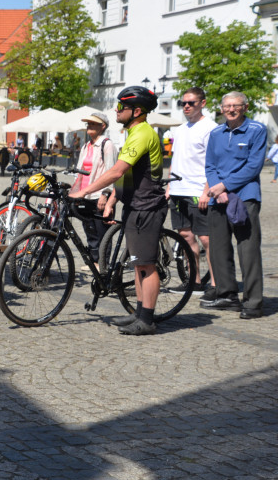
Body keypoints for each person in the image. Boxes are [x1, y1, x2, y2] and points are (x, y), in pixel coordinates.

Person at [70, 86, 165, 336]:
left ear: (137, 111)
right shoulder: (133, 132)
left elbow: (117, 171)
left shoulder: (143, 133)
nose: (116, 109)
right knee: (137, 264)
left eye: (121, 106)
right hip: (134, 204)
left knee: (147, 265)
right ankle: (138, 314)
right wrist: (113, 197)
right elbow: (127, 177)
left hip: (147, 205)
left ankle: (147, 319)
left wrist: (84, 191)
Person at [200, 91, 267, 319]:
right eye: (227, 106)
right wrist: (218, 189)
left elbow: (253, 167)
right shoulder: (216, 133)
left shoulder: (257, 130)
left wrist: (224, 186)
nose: (231, 109)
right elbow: (209, 165)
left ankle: (253, 302)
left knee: (247, 250)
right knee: (219, 249)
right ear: (221, 108)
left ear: (245, 107)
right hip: (218, 197)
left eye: (236, 106)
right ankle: (228, 295)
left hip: (245, 196)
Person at [168, 87, 215, 295]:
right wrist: (169, 185)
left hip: (198, 190)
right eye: (183, 103)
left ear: (202, 103)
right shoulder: (179, 129)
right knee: (185, 236)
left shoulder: (210, 128)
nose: (186, 106)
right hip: (178, 190)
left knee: (206, 238)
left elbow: (213, 163)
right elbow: (175, 159)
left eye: (191, 103)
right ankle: (194, 281)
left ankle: (216, 284)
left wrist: (207, 191)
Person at [73, 111, 116, 263]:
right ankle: (94, 261)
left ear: (102, 126)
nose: (89, 126)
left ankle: (103, 265)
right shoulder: (86, 146)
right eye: (88, 124)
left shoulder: (107, 144)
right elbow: (79, 171)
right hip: (86, 195)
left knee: (102, 232)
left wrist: (105, 194)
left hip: (99, 195)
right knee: (90, 230)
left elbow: (112, 172)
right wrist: (76, 192)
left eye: (93, 124)